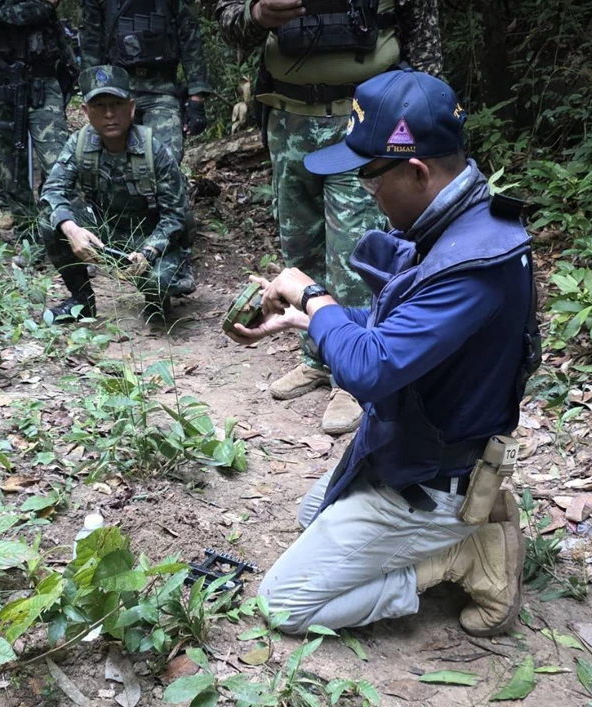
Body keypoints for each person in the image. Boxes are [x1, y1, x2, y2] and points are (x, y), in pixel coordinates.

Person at [226, 69, 541, 636]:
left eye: (370, 181)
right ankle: (464, 532)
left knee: (281, 606)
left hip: (432, 479)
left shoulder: (473, 265)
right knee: (308, 516)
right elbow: (388, 331)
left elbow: (370, 368)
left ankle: (458, 556)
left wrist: (313, 294)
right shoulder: (454, 226)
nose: (369, 198)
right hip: (406, 448)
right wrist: (307, 318)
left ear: (417, 171)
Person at [216, 0, 443, 436]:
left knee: (355, 254)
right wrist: (257, 15)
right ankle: (316, 358)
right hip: (287, 119)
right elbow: (229, 27)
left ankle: (354, 374)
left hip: (365, 122)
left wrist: (419, 122)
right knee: (299, 249)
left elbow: (426, 42)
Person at [39, 65, 196, 321]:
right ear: (86, 112)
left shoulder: (154, 150)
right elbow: (53, 191)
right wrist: (73, 230)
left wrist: (148, 252)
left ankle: (159, 298)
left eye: (116, 104)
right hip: (104, 231)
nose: (109, 114)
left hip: (146, 235)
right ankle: (81, 301)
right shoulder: (79, 144)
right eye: (100, 106)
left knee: (159, 283)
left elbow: (175, 216)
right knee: (50, 221)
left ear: (131, 108)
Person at [0, 0, 74, 237]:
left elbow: (42, 7)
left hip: (42, 75)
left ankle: (60, 226)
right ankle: (27, 232)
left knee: (57, 160)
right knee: (9, 162)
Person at [78, 0, 212, 162]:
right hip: (117, 92)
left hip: (162, 90)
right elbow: (91, 39)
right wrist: (91, 94)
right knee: (114, 163)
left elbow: (189, 35)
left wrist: (196, 95)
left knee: (167, 161)